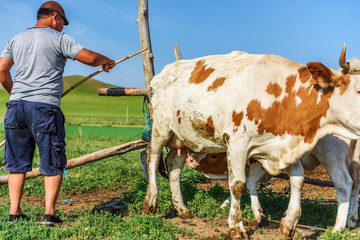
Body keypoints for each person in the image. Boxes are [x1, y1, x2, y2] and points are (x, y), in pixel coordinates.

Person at [0, 1, 115, 225]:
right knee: (52, 160)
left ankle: (14, 213)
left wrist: (17, 94)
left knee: (16, 163)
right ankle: (49, 213)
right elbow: (89, 58)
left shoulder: (16, 38)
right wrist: (106, 61)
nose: (63, 26)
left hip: (16, 108)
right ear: (55, 18)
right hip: (44, 108)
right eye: (62, 22)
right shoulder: (58, 38)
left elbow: (2, 71)